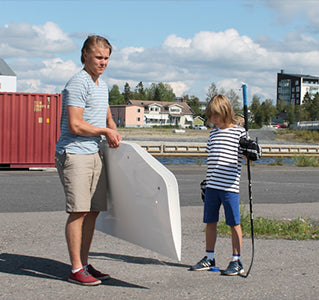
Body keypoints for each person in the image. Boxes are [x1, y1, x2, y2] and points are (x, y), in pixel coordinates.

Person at [55, 35, 122, 286]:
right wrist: (105, 131)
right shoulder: (78, 83)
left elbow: (103, 108)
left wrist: (111, 124)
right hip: (74, 153)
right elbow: (74, 125)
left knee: (93, 211)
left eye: (106, 58)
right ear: (85, 55)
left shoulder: (100, 84)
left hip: (94, 153)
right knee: (78, 211)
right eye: (98, 57)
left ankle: (83, 263)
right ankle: (75, 269)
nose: (103, 62)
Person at [189, 94, 246, 276]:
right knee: (210, 221)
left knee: (234, 222)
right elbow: (212, 157)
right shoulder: (213, 132)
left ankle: (236, 260)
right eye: (210, 116)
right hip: (212, 185)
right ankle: (209, 257)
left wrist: (251, 152)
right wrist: (207, 182)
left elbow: (247, 158)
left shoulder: (239, 133)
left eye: (216, 116)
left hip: (229, 187)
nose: (213, 120)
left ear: (226, 112)